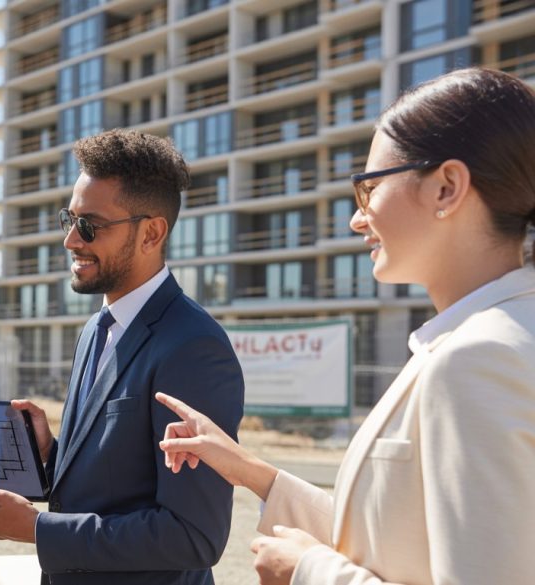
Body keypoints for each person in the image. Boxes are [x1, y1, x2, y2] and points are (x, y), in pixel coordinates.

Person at [156, 67, 535, 585]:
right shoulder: (497, 337)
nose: (357, 219)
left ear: (447, 187)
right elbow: (398, 537)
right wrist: (250, 470)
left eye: (368, 189)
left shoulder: (478, 358)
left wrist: (308, 571)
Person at [0, 129, 245, 584]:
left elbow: (194, 536)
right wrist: (49, 456)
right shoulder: (97, 328)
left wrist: (38, 530)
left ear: (152, 232)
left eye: (90, 225)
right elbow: (116, 486)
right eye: (69, 220)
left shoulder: (193, 348)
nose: (71, 241)